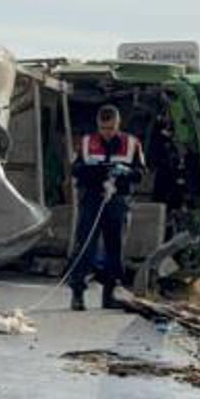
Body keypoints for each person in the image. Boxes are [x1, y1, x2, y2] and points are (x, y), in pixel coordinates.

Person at [69, 104, 146, 311]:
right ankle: (78, 293)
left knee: (115, 248)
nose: (107, 133)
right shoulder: (86, 143)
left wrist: (125, 172)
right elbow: (75, 169)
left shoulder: (131, 144)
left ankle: (110, 293)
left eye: (111, 128)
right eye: (103, 128)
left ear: (118, 124)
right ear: (98, 125)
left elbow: (140, 173)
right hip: (92, 199)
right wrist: (92, 171)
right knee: (85, 246)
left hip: (118, 200)